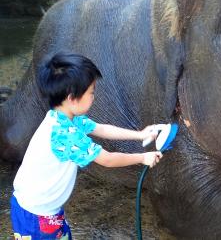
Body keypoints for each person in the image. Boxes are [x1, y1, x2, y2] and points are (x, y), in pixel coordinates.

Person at [10, 51, 163, 240]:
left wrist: (140, 135)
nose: (94, 97)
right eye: (91, 92)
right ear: (72, 97)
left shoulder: (63, 118)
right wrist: (143, 158)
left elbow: (102, 129)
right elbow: (107, 159)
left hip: (40, 208)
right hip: (36, 215)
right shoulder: (64, 135)